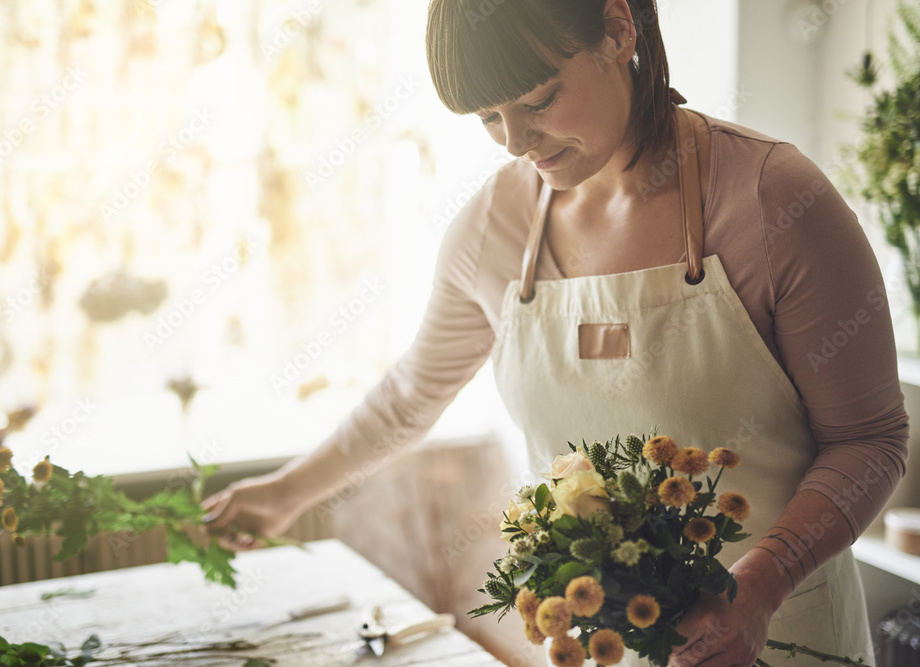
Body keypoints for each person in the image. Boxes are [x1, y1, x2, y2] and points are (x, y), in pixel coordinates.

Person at [202, 1, 910, 665]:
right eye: (487, 116)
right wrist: (283, 492)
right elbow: (411, 394)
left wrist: (762, 581)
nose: (515, 141)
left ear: (617, 28)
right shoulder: (493, 228)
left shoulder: (773, 197)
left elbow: (870, 440)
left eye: (538, 101)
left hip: (779, 633)